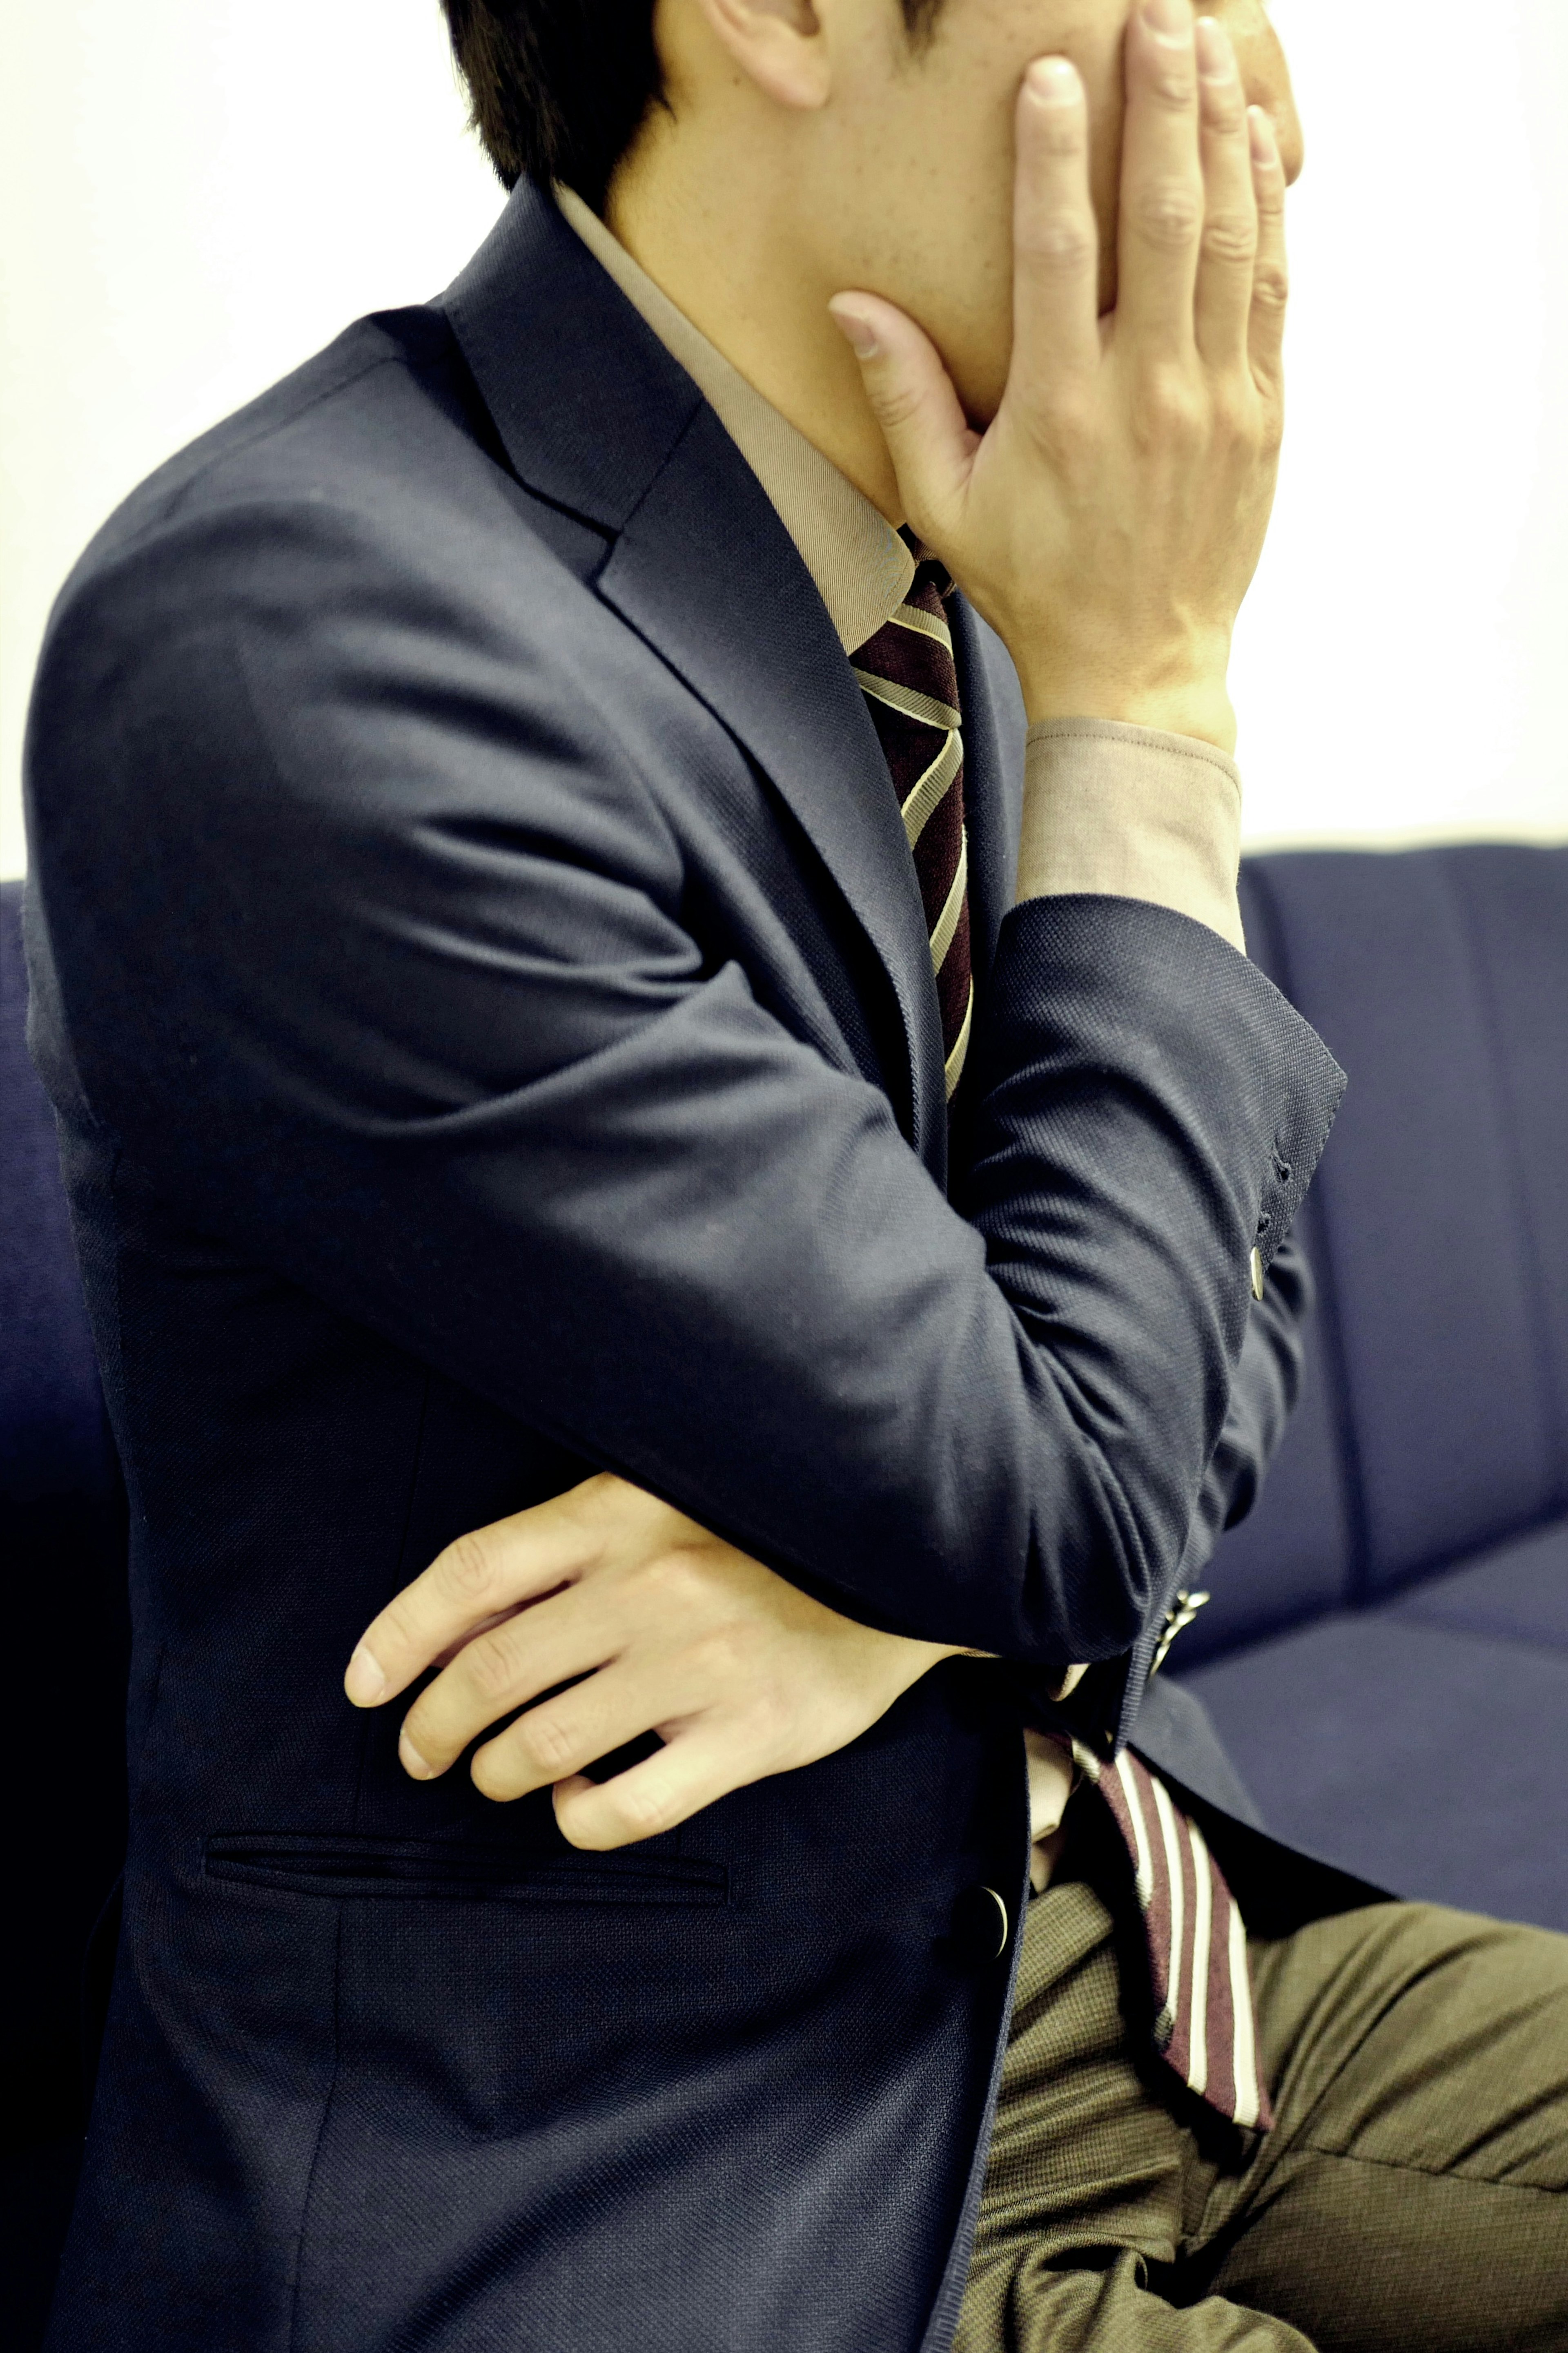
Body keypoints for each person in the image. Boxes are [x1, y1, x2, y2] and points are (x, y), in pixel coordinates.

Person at [22, 0, 1568, 2345]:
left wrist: (898, 1594)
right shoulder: (297, 631)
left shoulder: (967, 563)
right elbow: (1087, 1474)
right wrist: (1156, 690)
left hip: (1107, 1965)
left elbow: (1200, 1345)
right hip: (663, 2176)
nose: (1270, 93)